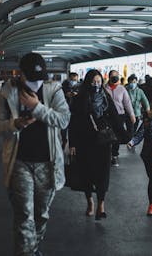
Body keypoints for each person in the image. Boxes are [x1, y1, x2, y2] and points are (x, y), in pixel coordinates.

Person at [0, 52, 70, 256]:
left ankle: (32, 249)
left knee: (41, 214)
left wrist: (37, 108)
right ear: (21, 74)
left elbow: (63, 120)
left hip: (48, 163)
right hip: (20, 163)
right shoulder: (7, 92)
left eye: (40, 78)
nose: (36, 83)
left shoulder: (53, 91)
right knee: (25, 215)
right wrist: (15, 124)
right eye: (32, 79)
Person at [69, 69, 121, 220]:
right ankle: (90, 201)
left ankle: (101, 205)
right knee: (86, 172)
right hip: (85, 141)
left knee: (103, 173)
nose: (96, 85)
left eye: (99, 82)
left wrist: (125, 137)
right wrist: (72, 143)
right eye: (93, 82)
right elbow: (74, 122)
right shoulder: (80, 99)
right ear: (88, 82)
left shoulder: (106, 97)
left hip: (103, 141)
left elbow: (115, 118)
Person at [105, 70, 135, 167]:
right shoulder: (104, 88)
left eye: (116, 76)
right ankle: (106, 154)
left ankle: (114, 155)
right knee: (107, 135)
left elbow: (127, 102)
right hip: (107, 116)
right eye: (113, 76)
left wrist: (131, 114)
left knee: (117, 136)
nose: (115, 78)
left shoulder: (122, 89)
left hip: (119, 116)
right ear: (109, 77)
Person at [126, 74, 150, 145]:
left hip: (137, 113)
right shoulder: (125, 90)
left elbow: (145, 100)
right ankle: (131, 141)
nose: (133, 83)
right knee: (130, 128)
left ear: (136, 82)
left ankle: (132, 140)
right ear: (129, 82)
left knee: (135, 128)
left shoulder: (140, 91)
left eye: (134, 82)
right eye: (131, 82)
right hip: (128, 113)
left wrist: (148, 109)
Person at [61, 72, 79, 148]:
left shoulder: (79, 87)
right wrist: (66, 94)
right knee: (64, 128)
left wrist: (77, 95)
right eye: (72, 79)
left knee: (73, 129)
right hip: (65, 110)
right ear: (69, 79)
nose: (74, 81)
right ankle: (64, 141)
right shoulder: (64, 86)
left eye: (75, 80)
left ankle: (72, 145)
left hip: (75, 112)